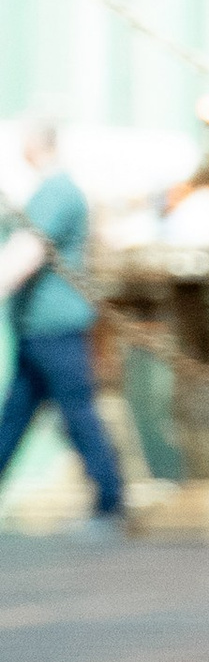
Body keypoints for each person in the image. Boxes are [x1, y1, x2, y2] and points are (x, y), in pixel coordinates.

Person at [0, 121, 124, 519]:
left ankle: (111, 498)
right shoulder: (51, 190)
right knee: (16, 417)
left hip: (54, 327)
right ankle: (110, 497)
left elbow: (26, 251)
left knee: (77, 414)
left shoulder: (55, 191)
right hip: (39, 326)